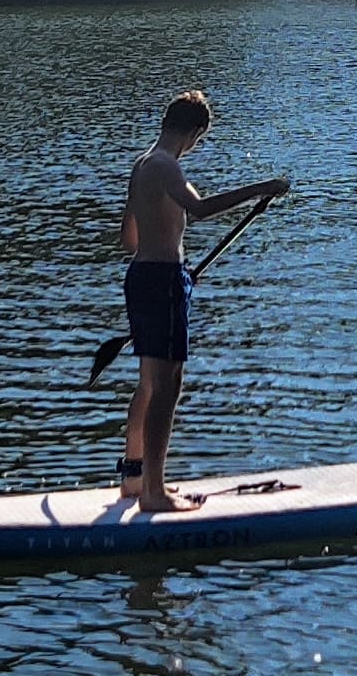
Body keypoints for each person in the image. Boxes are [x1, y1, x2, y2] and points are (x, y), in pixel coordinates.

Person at [117, 90, 286, 511]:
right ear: (194, 133)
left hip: (141, 276)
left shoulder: (143, 164)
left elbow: (128, 239)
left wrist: (164, 243)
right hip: (162, 281)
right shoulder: (167, 167)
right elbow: (202, 209)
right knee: (167, 388)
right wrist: (261, 188)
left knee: (148, 383)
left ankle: (134, 479)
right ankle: (154, 495)